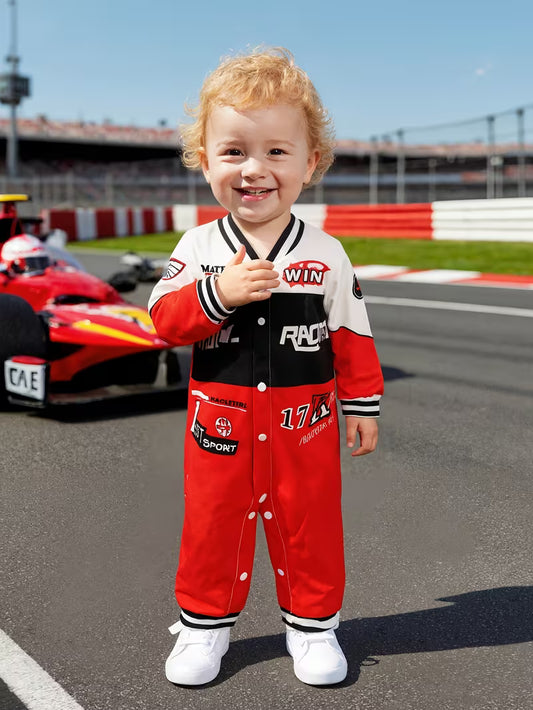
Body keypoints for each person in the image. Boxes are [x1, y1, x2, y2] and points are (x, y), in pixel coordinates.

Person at [148, 46, 384, 687]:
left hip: (305, 428)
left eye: (277, 151)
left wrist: (362, 405)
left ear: (311, 162)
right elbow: (163, 319)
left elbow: (353, 335)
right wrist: (217, 294)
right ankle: (203, 629)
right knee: (211, 526)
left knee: (311, 525)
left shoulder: (326, 253)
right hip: (217, 428)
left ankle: (314, 629)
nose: (254, 168)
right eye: (233, 151)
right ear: (204, 160)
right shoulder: (199, 247)